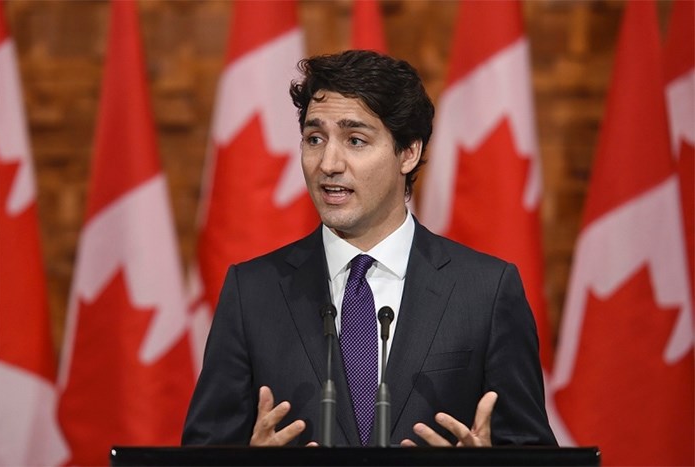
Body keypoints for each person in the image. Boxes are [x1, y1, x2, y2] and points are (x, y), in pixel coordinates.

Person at [182, 50, 556, 448]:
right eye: (314, 139)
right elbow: (202, 451)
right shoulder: (252, 292)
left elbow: (533, 451)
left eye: (355, 140)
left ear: (408, 152)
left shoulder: (486, 291)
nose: (328, 163)